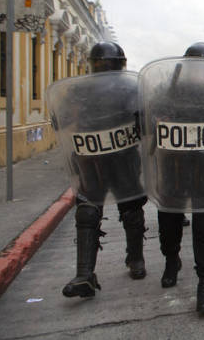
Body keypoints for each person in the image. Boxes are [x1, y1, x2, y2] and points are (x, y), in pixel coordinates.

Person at [59, 42, 148, 298]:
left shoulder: (131, 88)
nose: (104, 67)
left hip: (122, 159)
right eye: (101, 63)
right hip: (91, 159)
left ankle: (135, 259)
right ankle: (85, 274)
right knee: (88, 213)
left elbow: (143, 119)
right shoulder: (78, 90)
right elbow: (63, 119)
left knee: (131, 210)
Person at [155, 41, 204, 314]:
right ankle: (171, 259)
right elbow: (152, 117)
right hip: (175, 167)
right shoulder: (169, 92)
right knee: (170, 220)